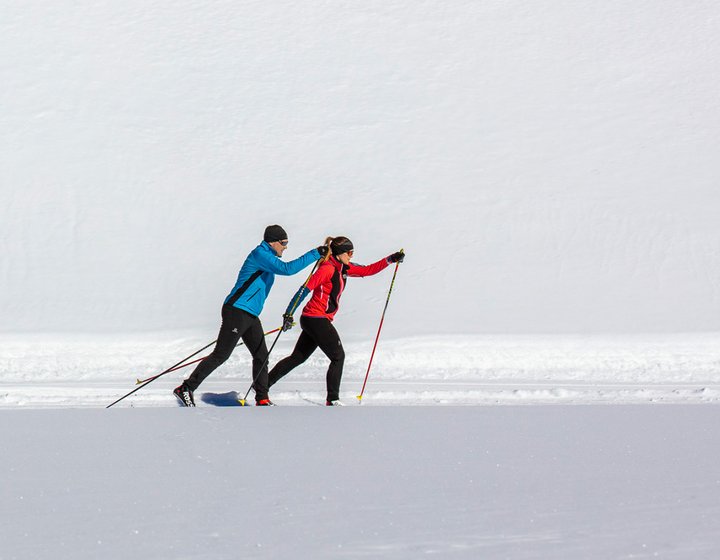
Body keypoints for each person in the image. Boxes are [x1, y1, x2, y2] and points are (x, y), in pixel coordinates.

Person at [174, 225, 328, 407]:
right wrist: (315, 253)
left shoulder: (268, 256)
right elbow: (288, 269)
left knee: (261, 355)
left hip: (250, 314)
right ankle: (186, 388)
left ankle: (262, 398)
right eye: (283, 243)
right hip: (237, 310)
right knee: (222, 354)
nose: (285, 247)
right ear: (272, 242)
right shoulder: (261, 255)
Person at [268, 236, 404, 405]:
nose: (351, 256)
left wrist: (391, 259)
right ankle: (332, 399)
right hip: (316, 319)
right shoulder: (327, 269)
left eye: (352, 252)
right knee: (338, 356)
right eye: (349, 252)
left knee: (297, 358)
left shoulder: (343, 268)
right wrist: (288, 313)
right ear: (339, 253)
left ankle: (263, 384)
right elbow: (304, 289)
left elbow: (368, 270)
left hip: (315, 319)